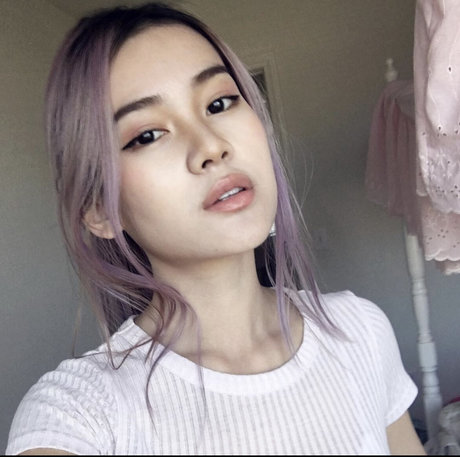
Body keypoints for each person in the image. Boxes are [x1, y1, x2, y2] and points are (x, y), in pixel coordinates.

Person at [6, 2, 425, 455]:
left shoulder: (360, 331)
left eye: (219, 103)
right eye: (147, 135)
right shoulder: (78, 415)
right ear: (99, 210)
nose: (211, 146)